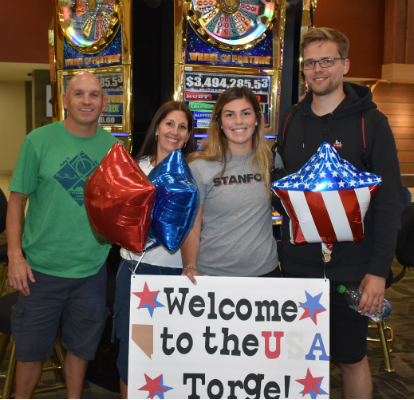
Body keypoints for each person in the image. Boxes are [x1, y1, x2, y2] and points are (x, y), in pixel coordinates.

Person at [277, 27, 402, 398]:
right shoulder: (289, 119)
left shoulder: (371, 123)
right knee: (298, 359)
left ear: (345, 65)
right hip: (298, 265)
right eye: (310, 62)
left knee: (351, 357)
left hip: (353, 268)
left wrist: (378, 271)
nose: (318, 69)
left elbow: (389, 201)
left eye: (327, 60)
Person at [6, 71, 119, 399]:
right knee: (30, 354)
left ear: (103, 102)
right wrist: (15, 254)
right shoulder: (38, 141)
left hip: (92, 270)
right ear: (65, 100)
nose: (87, 101)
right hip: (40, 269)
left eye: (94, 95)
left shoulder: (113, 149)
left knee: (81, 349)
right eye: (79, 94)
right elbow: (17, 202)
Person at [113, 101, 195, 398]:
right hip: (136, 273)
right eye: (169, 124)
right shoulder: (135, 168)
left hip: (176, 276)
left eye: (182, 127)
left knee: (171, 355)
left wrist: (191, 265)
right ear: (157, 128)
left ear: (188, 136)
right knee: (133, 354)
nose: (175, 131)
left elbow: (194, 229)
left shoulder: (192, 172)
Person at [181, 86, 279, 283]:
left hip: (265, 275)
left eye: (245, 113)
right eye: (230, 115)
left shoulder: (271, 162)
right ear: (219, 121)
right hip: (213, 274)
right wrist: (190, 266)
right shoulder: (199, 167)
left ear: (257, 118)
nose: (239, 121)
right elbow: (192, 225)